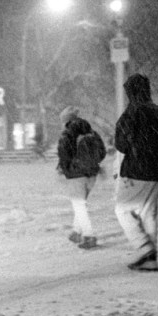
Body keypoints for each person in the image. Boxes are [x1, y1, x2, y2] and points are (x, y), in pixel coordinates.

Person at [113, 73, 158, 271]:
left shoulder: (132, 113)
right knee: (148, 214)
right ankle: (150, 258)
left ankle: (144, 248)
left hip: (137, 169)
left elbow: (121, 144)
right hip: (157, 168)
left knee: (122, 209)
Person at [56, 106, 104, 250]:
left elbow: (64, 155)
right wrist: (93, 164)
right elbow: (102, 152)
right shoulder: (91, 132)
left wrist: (66, 170)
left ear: (66, 121)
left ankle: (89, 236)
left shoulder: (67, 134)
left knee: (79, 206)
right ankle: (77, 231)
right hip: (91, 174)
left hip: (76, 175)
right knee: (81, 204)